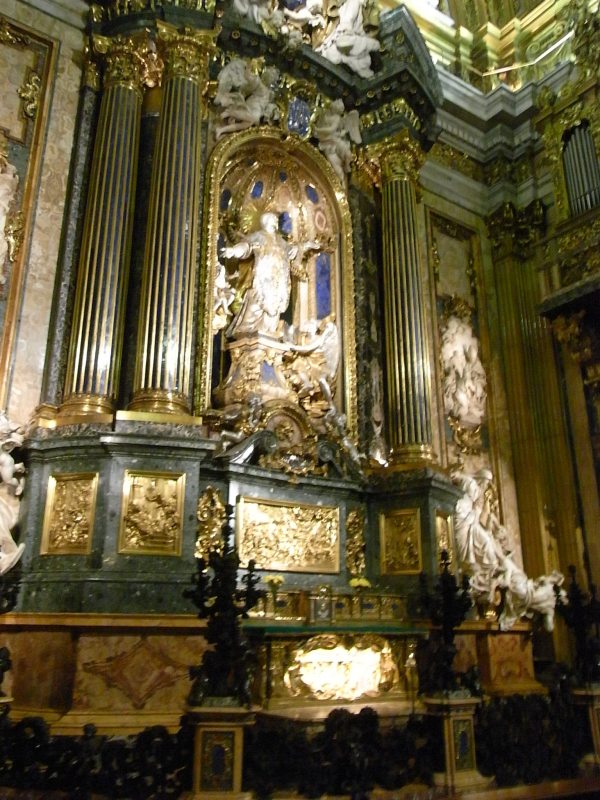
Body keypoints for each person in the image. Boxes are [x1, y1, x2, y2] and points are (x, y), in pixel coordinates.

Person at [221, 212, 321, 338]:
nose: (276, 221)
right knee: (255, 305)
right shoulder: (259, 236)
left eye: (276, 220)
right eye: (273, 219)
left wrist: (307, 245)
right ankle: (245, 332)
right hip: (263, 279)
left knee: (274, 310)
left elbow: (293, 250)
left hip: (279, 281)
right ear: (266, 221)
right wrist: (234, 250)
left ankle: (269, 333)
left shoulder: (281, 241)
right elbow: (247, 246)